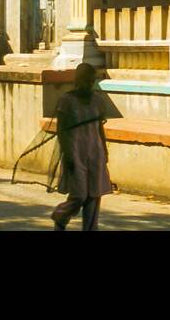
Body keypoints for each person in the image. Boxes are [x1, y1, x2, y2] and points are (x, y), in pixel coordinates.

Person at [50, 62, 112, 231]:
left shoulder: (98, 101)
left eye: (91, 81)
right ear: (78, 81)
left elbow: (99, 127)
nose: (88, 84)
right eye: (85, 81)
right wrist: (68, 154)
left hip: (94, 151)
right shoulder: (66, 100)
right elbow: (61, 130)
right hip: (75, 151)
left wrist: (104, 151)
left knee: (94, 194)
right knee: (80, 194)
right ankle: (61, 214)